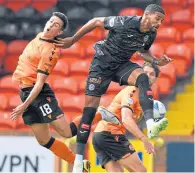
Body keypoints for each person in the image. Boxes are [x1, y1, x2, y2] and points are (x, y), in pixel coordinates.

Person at [54, 4, 172, 172]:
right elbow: (95, 21)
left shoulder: (151, 34)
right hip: (102, 65)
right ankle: (79, 160)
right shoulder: (125, 22)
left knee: (143, 77)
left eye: (161, 21)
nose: (159, 23)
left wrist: (155, 61)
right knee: (89, 112)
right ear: (146, 15)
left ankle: (151, 122)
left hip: (121, 65)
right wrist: (72, 40)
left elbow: (142, 52)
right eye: (157, 19)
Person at [10, 12, 90, 172]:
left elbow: (39, 83)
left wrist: (23, 105)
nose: (51, 25)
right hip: (26, 92)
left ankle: (96, 113)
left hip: (38, 94)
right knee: (43, 140)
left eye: (56, 25)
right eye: (51, 21)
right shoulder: (40, 36)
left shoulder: (51, 51)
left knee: (66, 132)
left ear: (59, 32)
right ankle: (80, 164)